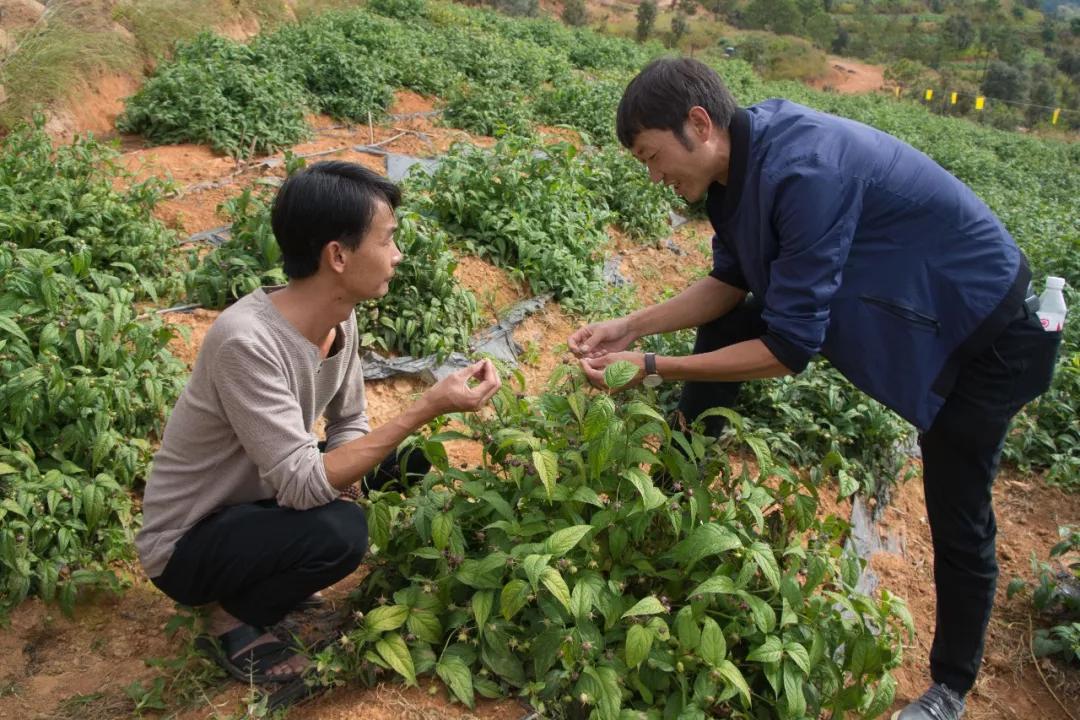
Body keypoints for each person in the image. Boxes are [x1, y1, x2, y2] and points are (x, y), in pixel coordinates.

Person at [568, 58, 1061, 720]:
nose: (654, 177)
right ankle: (675, 493)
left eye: (654, 157)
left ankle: (950, 689)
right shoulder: (733, 173)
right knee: (732, 321)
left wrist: (653, 365)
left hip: (986, 337)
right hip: (915, 310)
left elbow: (787, 351)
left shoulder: (805, 170)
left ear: (700, 124)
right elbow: (731, 285)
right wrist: (631, 326)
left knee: (957, 502)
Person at [136, 162, 501, 685]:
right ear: (338, 256)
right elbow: (303, 482)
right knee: (342, 532)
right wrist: (425, 406)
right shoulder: (246, 341)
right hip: (191, 542)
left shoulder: (340, 317)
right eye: (387, 240)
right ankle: (231, 617)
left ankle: (277, 563)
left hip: (263, 497)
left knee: (407, 461)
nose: (397, 254)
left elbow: (349, 419)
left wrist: (347, 479)